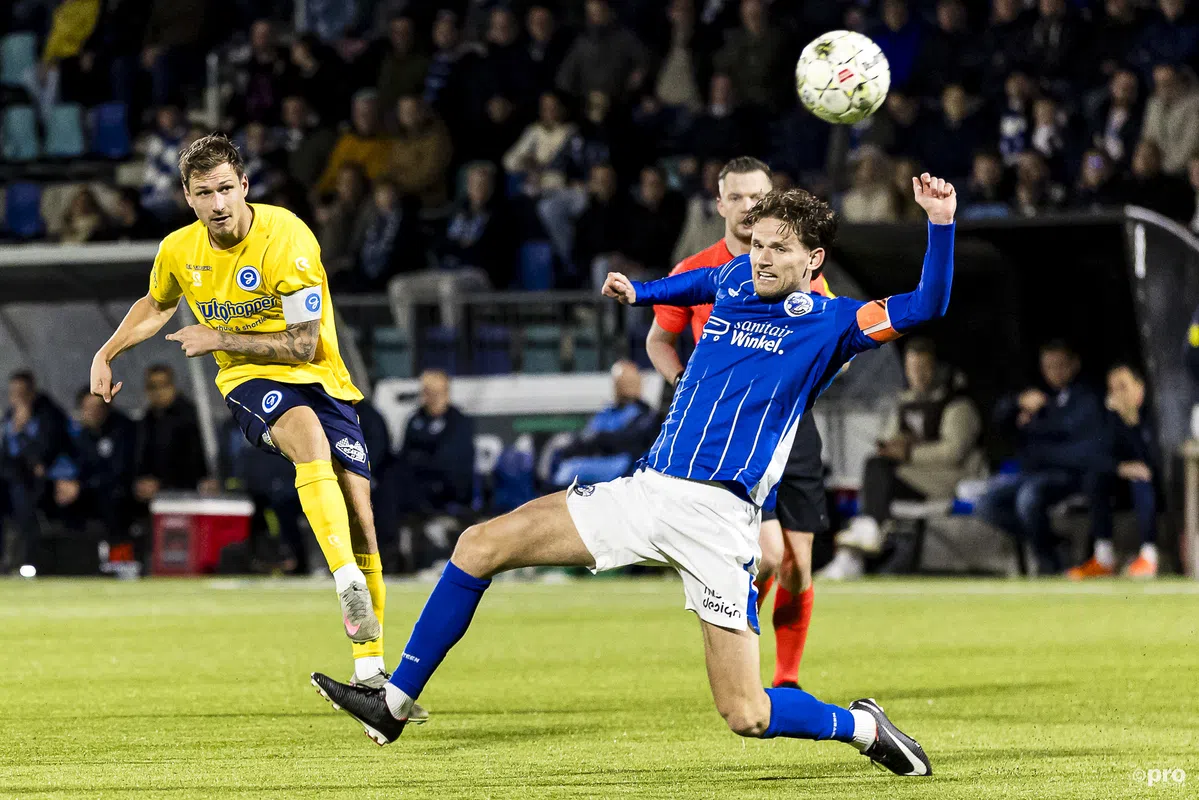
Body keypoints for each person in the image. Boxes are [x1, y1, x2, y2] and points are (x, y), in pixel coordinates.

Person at [310, 175, 956, 779]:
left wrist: (940, 223)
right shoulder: (733, 279)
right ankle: (392, 704)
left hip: (716, 520)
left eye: (777, 250)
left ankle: (861, 727)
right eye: (755, 244)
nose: (758, 258)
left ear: (812, 260)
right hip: (646, 491)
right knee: (479, 544)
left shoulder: (834, 323)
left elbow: (927, 303)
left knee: (746, 714)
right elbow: (693, 288)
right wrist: (641, 293)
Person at [89, 134, 421, 709]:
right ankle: (343, 579)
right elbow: (157, 301)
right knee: (308, 439)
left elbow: (303, 343)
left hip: (322, 378)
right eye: (203, 193)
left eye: (225, 189)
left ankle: (370, 676)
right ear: (187, 198)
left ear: (244, 186)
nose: (217, 203)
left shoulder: (286, 236)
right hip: (249, 381)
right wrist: (107, 351)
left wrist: (217, 334)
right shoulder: (178, 249)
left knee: (364, 521)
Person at [645, 156, 834, 691]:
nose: (749, 207)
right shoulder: (697, 271)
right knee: (769, 555)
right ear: (721, 204)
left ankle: (788, 678)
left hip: (791, 426)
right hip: (733, 434)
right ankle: (737, 643)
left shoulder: (798, 267)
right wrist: (685, 382)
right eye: (739, 198)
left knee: (798, 562)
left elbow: (826, 339)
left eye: (759, 197)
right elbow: (658, 341)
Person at [820, 338, 985, 580]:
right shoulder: (905, 402)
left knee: (878, 474)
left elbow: (953, 453)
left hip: (948, 481)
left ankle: (866, 539)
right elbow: (890, 439)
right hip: (912, 478)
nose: (918, 375)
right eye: (912, 369)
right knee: (875, 467)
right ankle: (855, 552)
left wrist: (909, 453)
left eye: (924, 368)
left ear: (935, 368)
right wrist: (892, 445)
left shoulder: (957, 406)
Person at [975, 340, 1109, 575]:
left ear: (1074, 365)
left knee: (1028, 499)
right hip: (1032, 474)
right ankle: (1053, 543)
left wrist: (1037, 439)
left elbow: (1083, 451)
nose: (1054, 373)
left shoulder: (1087, 398)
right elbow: (1000, 421)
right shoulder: (1038, 396)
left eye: (1060, 366)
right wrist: (1015, 404)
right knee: (986, 504)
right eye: (1048, 367)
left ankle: (1049, 566)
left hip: (1069, 476)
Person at [1069, 364, 1162, 579]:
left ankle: (1149, 556)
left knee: (1141, 478)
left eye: (1123, 387)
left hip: (1151, 489)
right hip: (1117, 486)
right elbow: (1096, 456)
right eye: (1113, 389)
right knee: (1095, 478)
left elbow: (1151, 461)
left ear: (1140, 388)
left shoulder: (1154, 414)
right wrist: (1121, 468)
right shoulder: (1107, 418)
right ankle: (1104, 558)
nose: (1118, 394)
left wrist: (1131, 422)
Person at [1, 372, 73, 572]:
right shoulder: (9, 416)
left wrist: (23, 430)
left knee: (23, 501)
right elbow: (7, 452)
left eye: (21, 393)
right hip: (12, 478)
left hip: (42, 481)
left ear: (32, 393)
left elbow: (47, 453)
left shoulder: (49, 415)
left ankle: (29, 562)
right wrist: (16, 429)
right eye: (13, 393)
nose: (16, 398)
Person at [550, 360, 658, 488]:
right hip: (594, 458)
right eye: (622, 382)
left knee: (570, 471)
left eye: (631, 381)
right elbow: (588, 436)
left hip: (622, 464)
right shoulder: (607, 411)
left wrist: (598, 438)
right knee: (561, 458)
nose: (627, 386)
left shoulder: (645, 415)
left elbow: (627, 440)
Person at [133, 365, 209, 506]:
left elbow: (195, 464)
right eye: (152, 387)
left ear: (173, 386)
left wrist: (161, 484)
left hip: (185, 497)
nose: (158, 392)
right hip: (153, 500)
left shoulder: (190, 418)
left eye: (163, 385)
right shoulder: (146, 420)